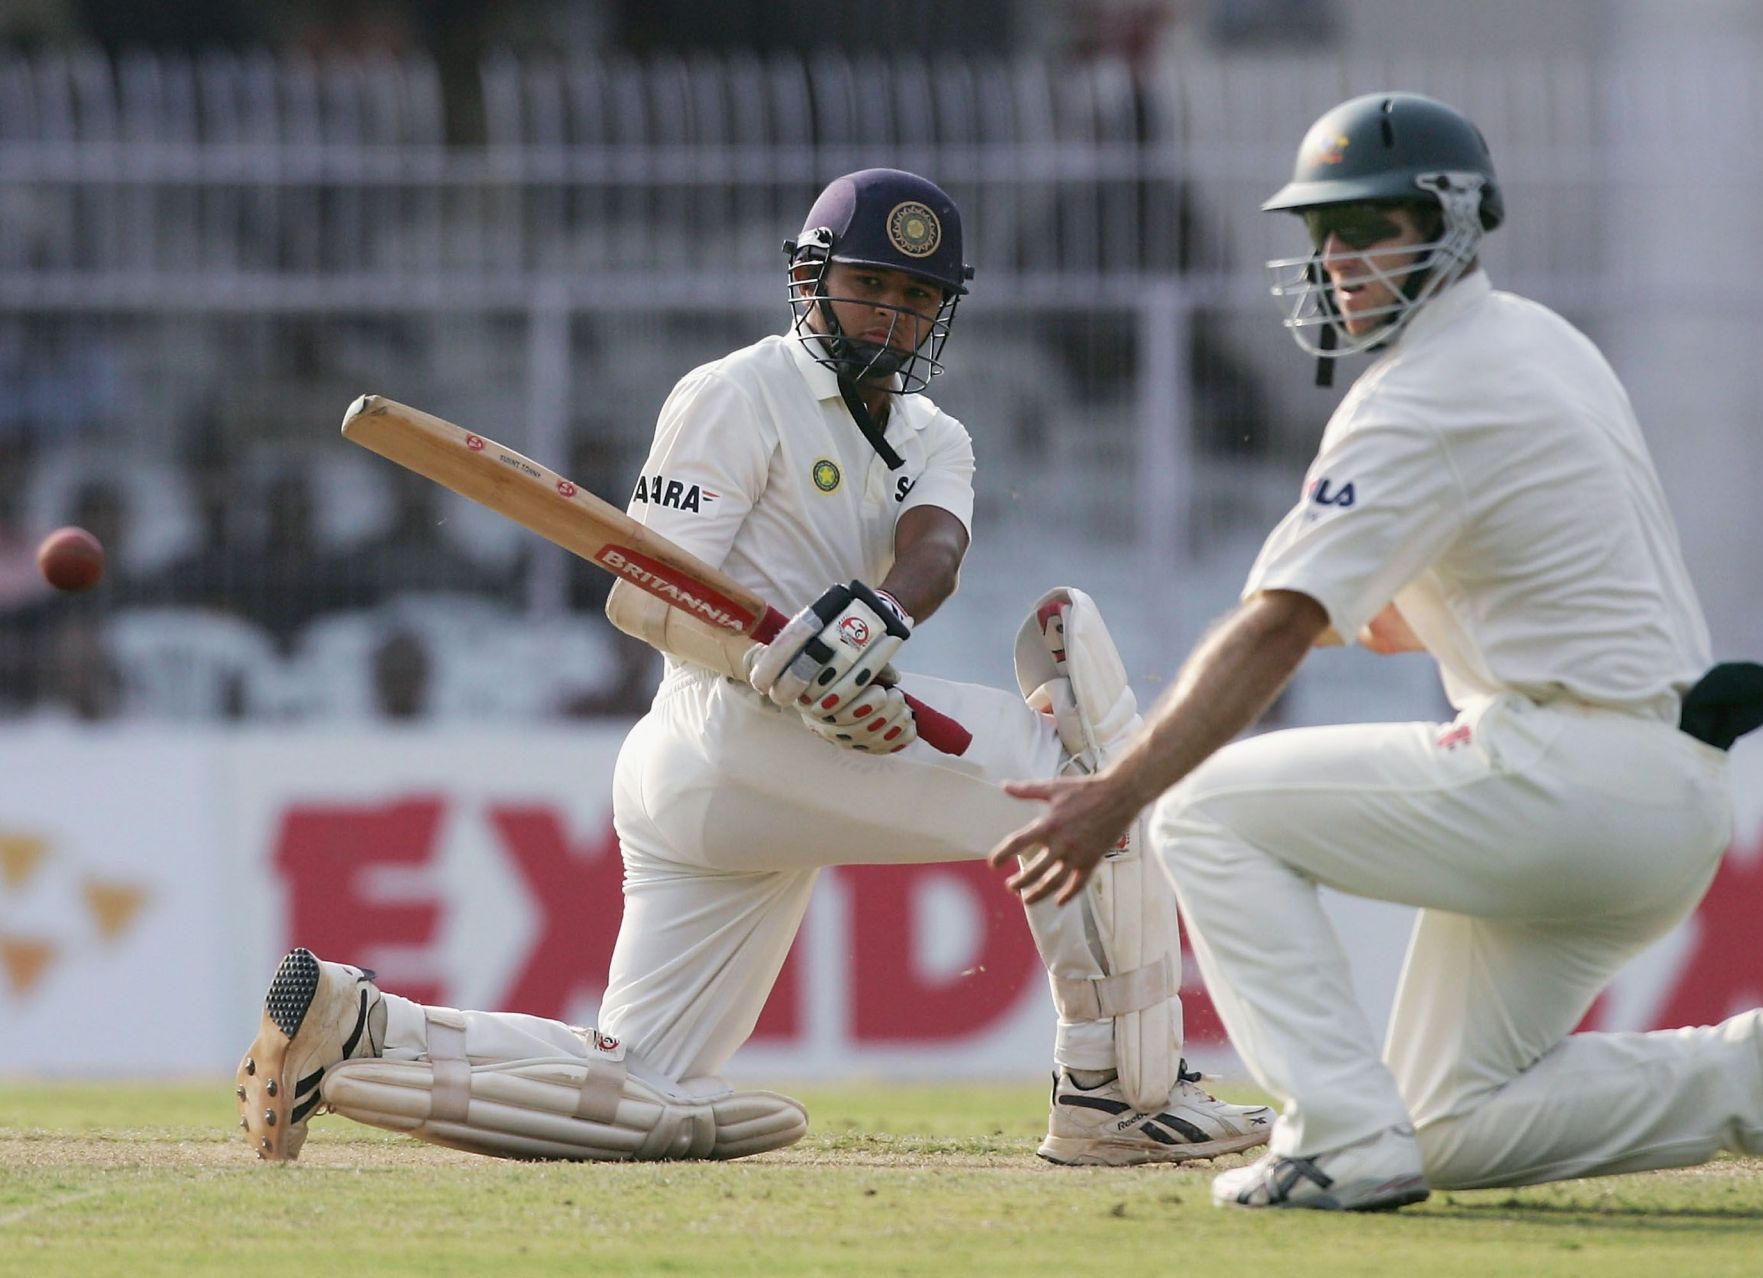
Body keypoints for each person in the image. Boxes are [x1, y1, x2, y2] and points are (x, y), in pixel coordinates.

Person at [235, 168, 1271, 1167]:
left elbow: (935, 553)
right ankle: (1115, 1094)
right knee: (1078, 780)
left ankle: (358, 1021)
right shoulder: (734, 392)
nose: (890, 316)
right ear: (811, 279)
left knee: (639, 1076)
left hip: (765, 775)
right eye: (870, 285)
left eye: (917, 297)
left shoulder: (933, 432)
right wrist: (776, 667)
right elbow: (643, 592)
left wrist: (869, 627)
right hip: (722, 733)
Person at [987, 93, 1763, 1213]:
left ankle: (1334, 1142)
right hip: (1663, 788)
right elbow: (1431, 595)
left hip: (1569, 773)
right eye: (1324, 235)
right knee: (1447, 1121)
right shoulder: (1542, 341)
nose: (1340, 261)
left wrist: (1116, 792)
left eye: (1371, 228)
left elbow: (1279, 626)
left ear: (1453, 222)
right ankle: (1753, 1077)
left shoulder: (1424, 395)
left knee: (1203, 809)